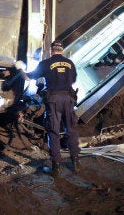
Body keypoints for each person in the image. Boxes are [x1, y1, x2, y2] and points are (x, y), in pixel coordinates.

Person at [15, 40, 80, 176]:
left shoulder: (45, 63)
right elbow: (73, 80)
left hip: (54, 100)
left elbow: (28, 77)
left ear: (51, 50)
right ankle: (75, 163)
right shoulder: (70, 63)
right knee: (71, 130)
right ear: (62, 50)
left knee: (53, 132)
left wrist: (20, 68)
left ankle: (56, 167)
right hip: (69, 99)